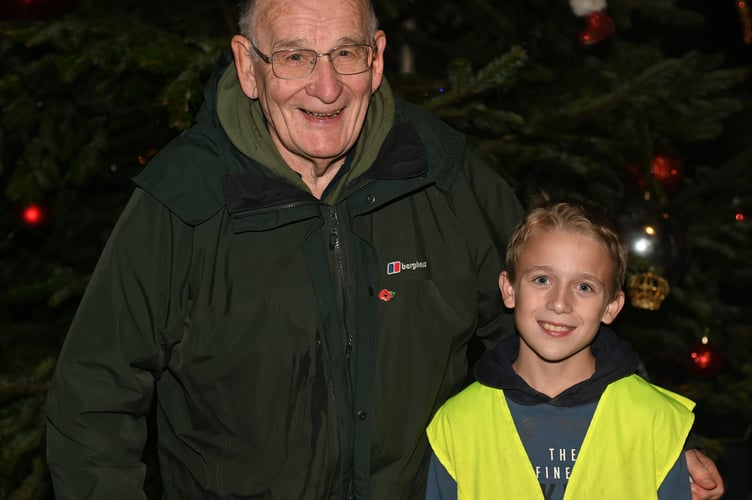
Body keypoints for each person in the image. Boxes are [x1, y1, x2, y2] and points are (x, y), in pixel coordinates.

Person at [45, 0, 724, 498]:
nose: (326, 87)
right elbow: (92, 401)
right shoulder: (183, 203)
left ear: (375, 58)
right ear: (248, 68)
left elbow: (551, 322)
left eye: (345, 53)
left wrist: (652, 447)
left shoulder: (439, 172)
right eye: (294, 57)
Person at [425, 199, 705, 499]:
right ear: (509, 290)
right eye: (542, 279)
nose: (559, 303)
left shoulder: (657, 422)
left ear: (611, 306)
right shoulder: (457, 424)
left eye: (584, 287)